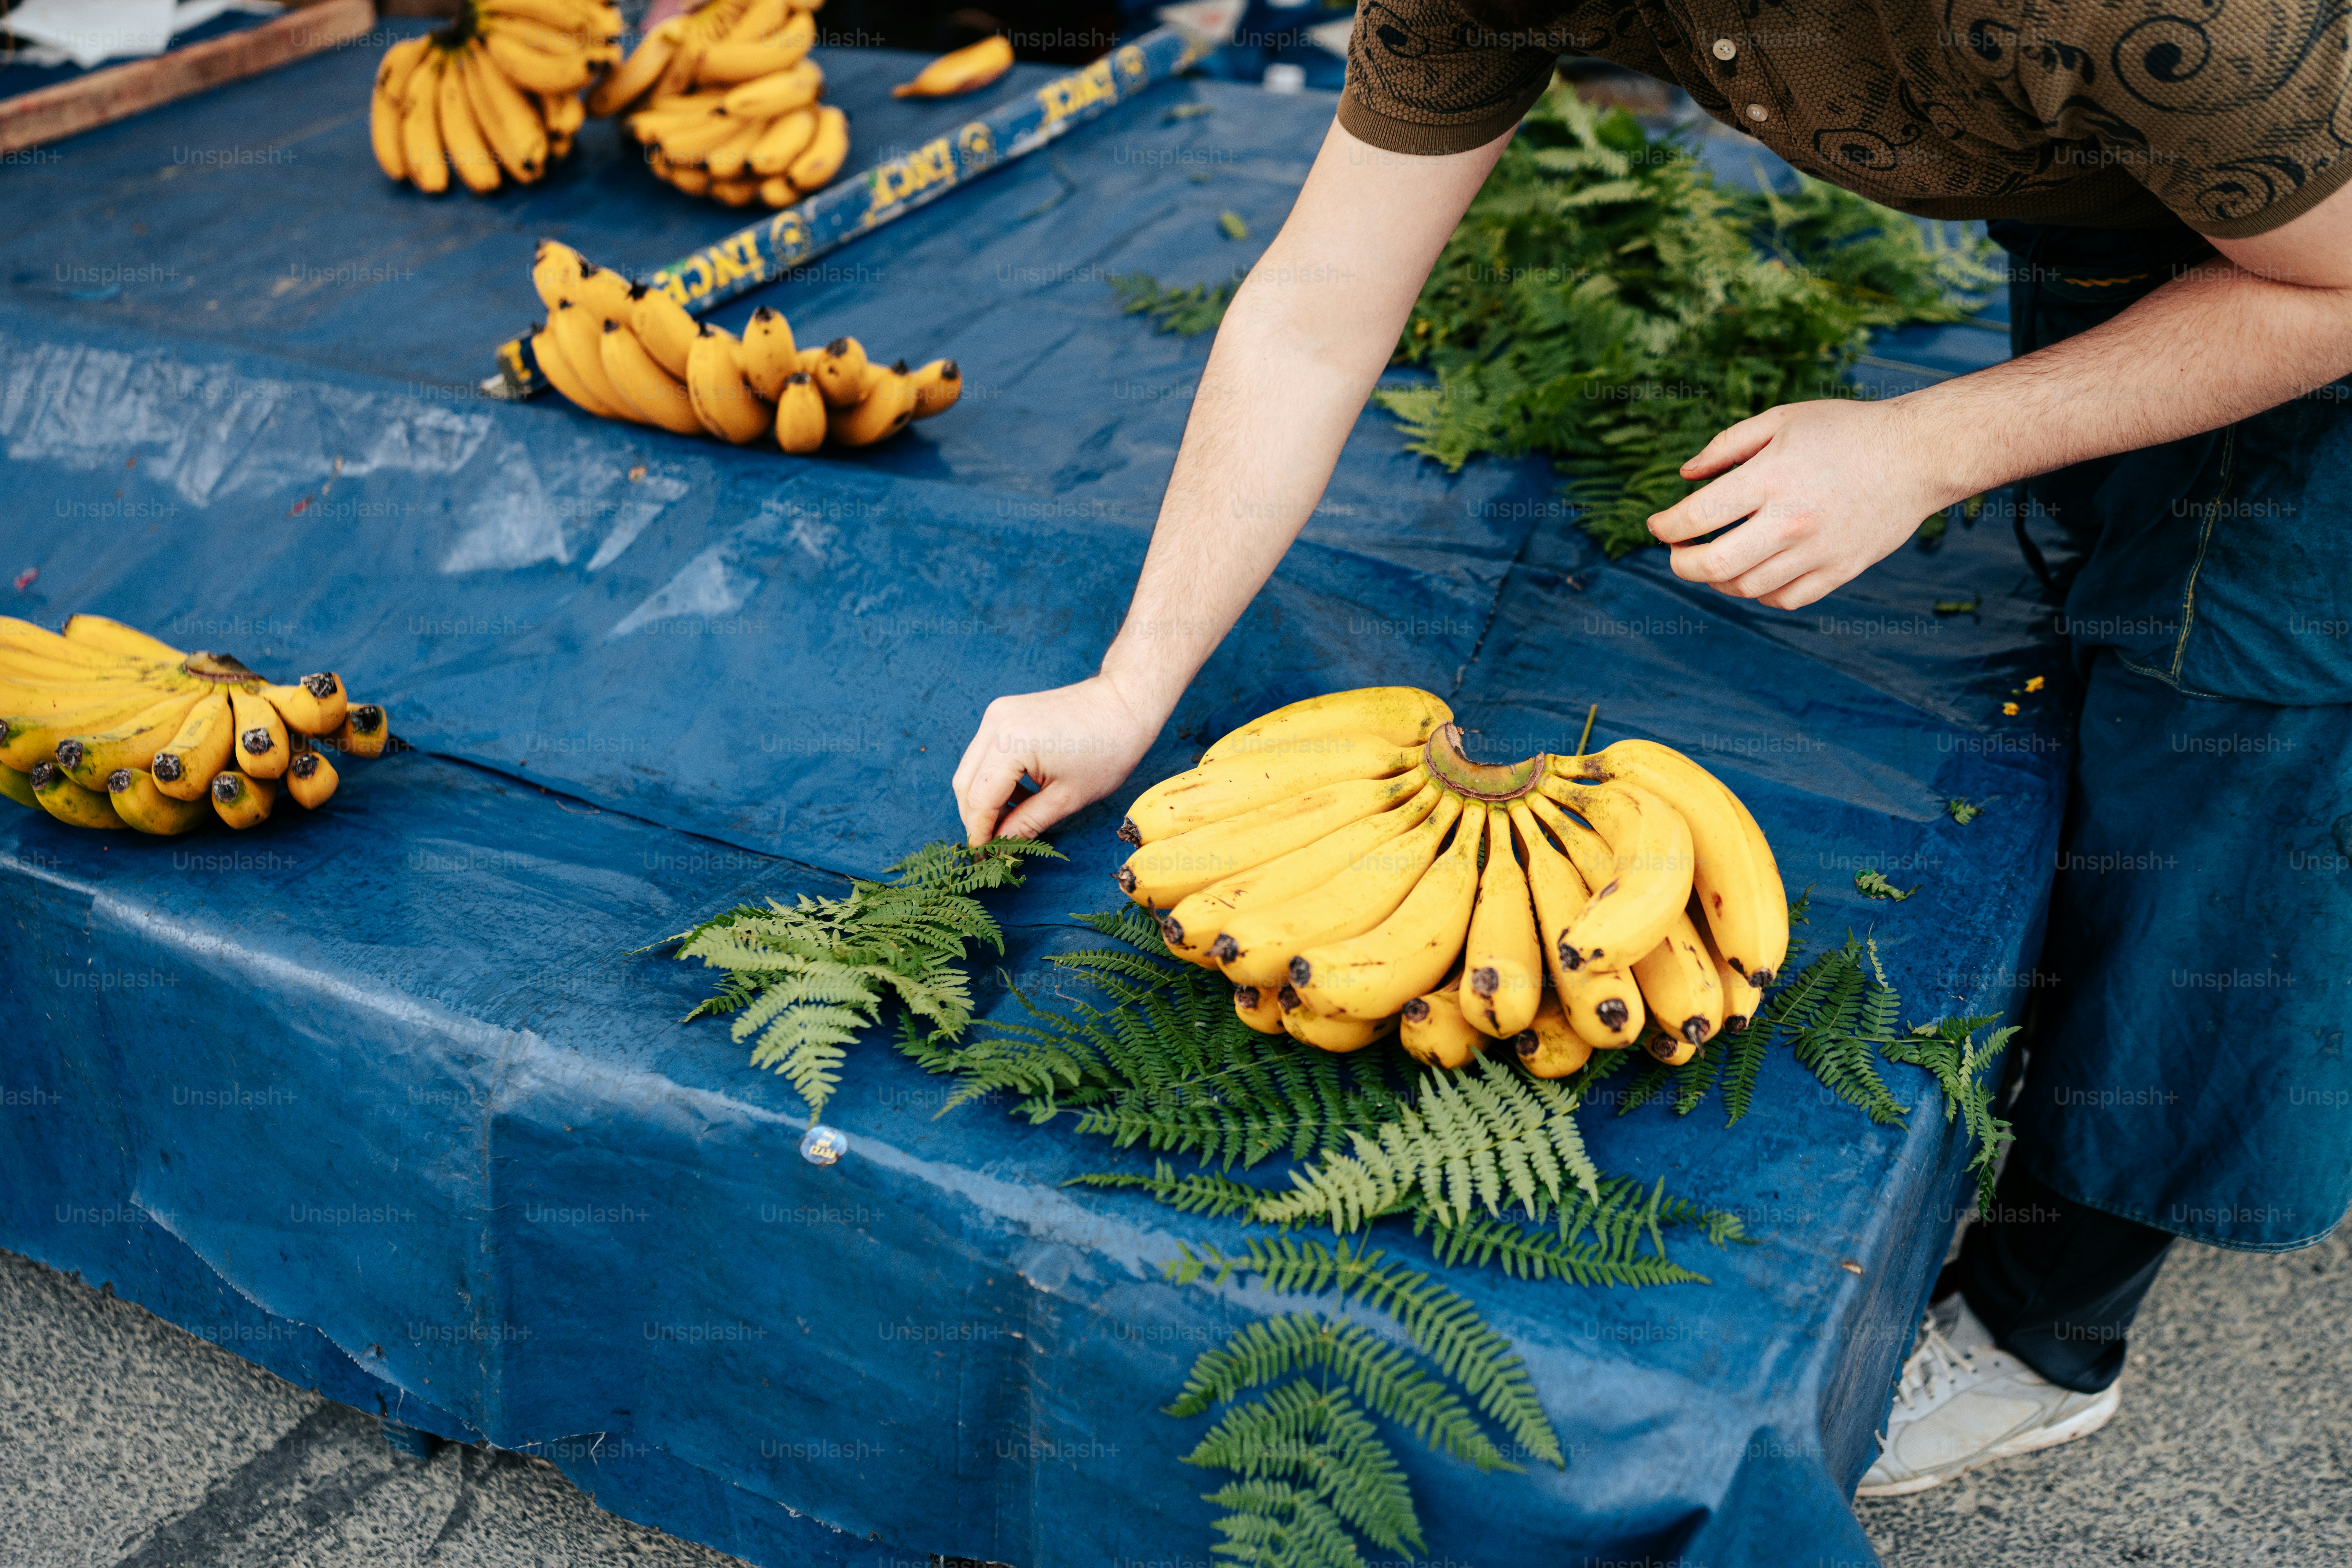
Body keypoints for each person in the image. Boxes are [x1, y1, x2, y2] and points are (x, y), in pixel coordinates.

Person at [952, 0, 2352, 1500]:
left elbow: (2334, 281)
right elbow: (1320, 296)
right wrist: (1130, 679)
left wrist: (1927, 445)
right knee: (2109, 572)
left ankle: (2051, 1332)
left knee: (2236, 733)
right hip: (2159, 199)